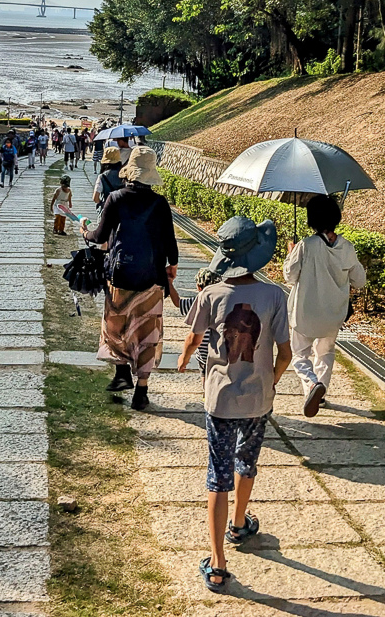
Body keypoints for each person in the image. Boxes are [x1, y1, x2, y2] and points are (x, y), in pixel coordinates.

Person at [178, 215, 291, 594]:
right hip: (258, 399)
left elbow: (195, 338)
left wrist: (182, 358)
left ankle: (217, 562)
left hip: (220, 398)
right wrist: (271, 379)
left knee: (217, 474)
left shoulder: (212, 295)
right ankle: (240, 523)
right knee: (248, 461)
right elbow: (286, 353)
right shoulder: (274, 295)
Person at [81, 146, 178, 411]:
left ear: (130, 171)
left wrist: (85, 232)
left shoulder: (115, 198)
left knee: (116, 326)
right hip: (151, 279)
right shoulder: (159, 203)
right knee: (147, 333)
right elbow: (170, 243)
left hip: (120, 277)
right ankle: (142, 391)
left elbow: (100, 236)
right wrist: (172, 268)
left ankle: (122, 371)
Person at [283, 195, 367, 416]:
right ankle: (321, 389)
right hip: (333, 315)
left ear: (311, 220)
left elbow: (290, 276)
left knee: (300, 354)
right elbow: (360, 281)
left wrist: (290, 254)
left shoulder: (305, 246)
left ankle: (312, 385)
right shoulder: (347, 247)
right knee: (326, 352)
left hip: (305, 313)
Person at [168, 267, 221, 389]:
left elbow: (178, 303)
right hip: (222, 352)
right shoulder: (225, 300)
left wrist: (169, 283)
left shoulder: (198, 301)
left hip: (204, 353)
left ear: (199, 287)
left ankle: (206, 395)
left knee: (204, 374)